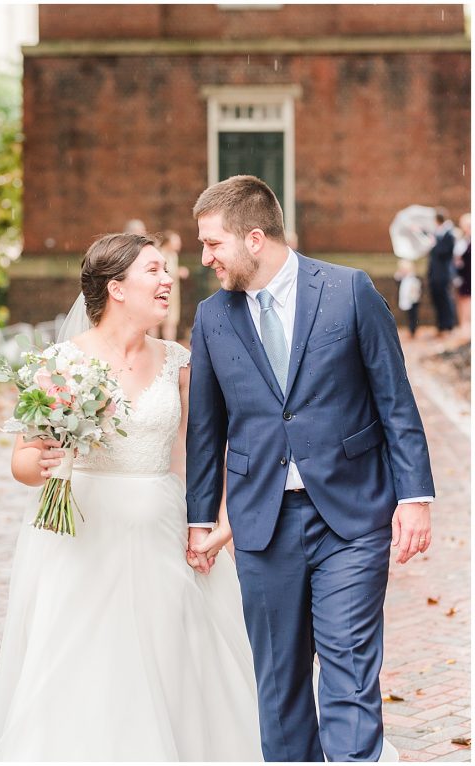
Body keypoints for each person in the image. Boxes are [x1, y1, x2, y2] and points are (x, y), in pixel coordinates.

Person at [0, 233, 263, 761]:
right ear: (117, 288)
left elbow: (208, 450)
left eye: (166, 270)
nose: (167, 280)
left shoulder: (180, 361)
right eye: (154, 271)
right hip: (80, 536)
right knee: (83, 658)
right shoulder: (61, 362)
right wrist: (40, 464)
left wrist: (217, 518)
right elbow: (21, 460)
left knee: (172, 652)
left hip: (161, 527)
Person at [187, 175, 434, 761]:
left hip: (351, 517)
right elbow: (205, 428)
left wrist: (415, 497)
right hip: (261, 523)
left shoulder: (350, 292)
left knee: (349, 667)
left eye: (212, 244)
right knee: (280, 682)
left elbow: (394, 399)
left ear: (254, 238)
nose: (204, 259)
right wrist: (201, 518)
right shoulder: (211, 318)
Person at [426, 207, 457, 335]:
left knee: (445, 298)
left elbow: (445, 253)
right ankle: (440, 325)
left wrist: (435, 243)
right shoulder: (436, 234)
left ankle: (448, 325)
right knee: (436, 298)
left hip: (443, 273)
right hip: (434, 273)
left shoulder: (449, 234)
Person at [158, 229, 190, 341]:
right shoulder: (160, 254)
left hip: (173, 293)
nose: (179, 243)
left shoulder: (173, 255)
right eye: (176, 241)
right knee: (157, 321)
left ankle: (170, 346)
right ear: (168, 242)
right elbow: (162, 271)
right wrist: (178, 272)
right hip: (161, 293)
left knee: (171, 321)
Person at [394, 258, 422, 338]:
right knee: (409, 316)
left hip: (413, 301)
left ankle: (413, 330)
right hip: (406, 300)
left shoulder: (413, 278)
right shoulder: (403, 279)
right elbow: (397, 280)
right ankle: (410, 330)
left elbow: (417, 289)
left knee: (413, 316)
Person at [453, 212, 471, 337]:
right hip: (462, 274)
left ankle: (469, 325)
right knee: (462, 299)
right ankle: (464, 325)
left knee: (468, 300)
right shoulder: (463, 240)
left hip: (469, 274)